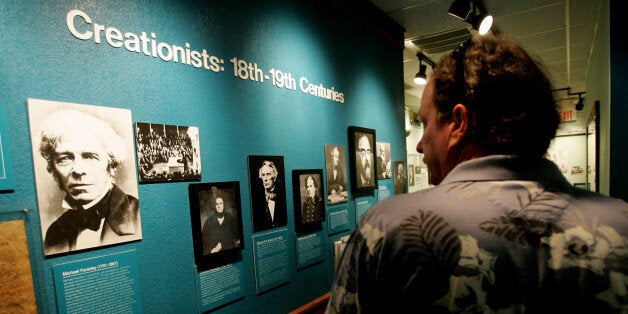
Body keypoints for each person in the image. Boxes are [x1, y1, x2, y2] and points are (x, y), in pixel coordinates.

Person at [327, 34, 628, 313]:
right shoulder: (621, 223)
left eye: (427, 121)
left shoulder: (385, 227)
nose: (419, 144)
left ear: (458, 124)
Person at [37, 109, 141, 255]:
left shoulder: (139, 215)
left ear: (110, 165)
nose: (78, 170)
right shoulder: (55, 232)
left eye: (90, 157)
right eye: (64, 158)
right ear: (53, 168)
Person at [251, 159, 287, 232]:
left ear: (274, 177)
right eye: (263, 175)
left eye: (268, 174)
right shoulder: (257, 201)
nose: (265, 179)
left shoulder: (282, 198)